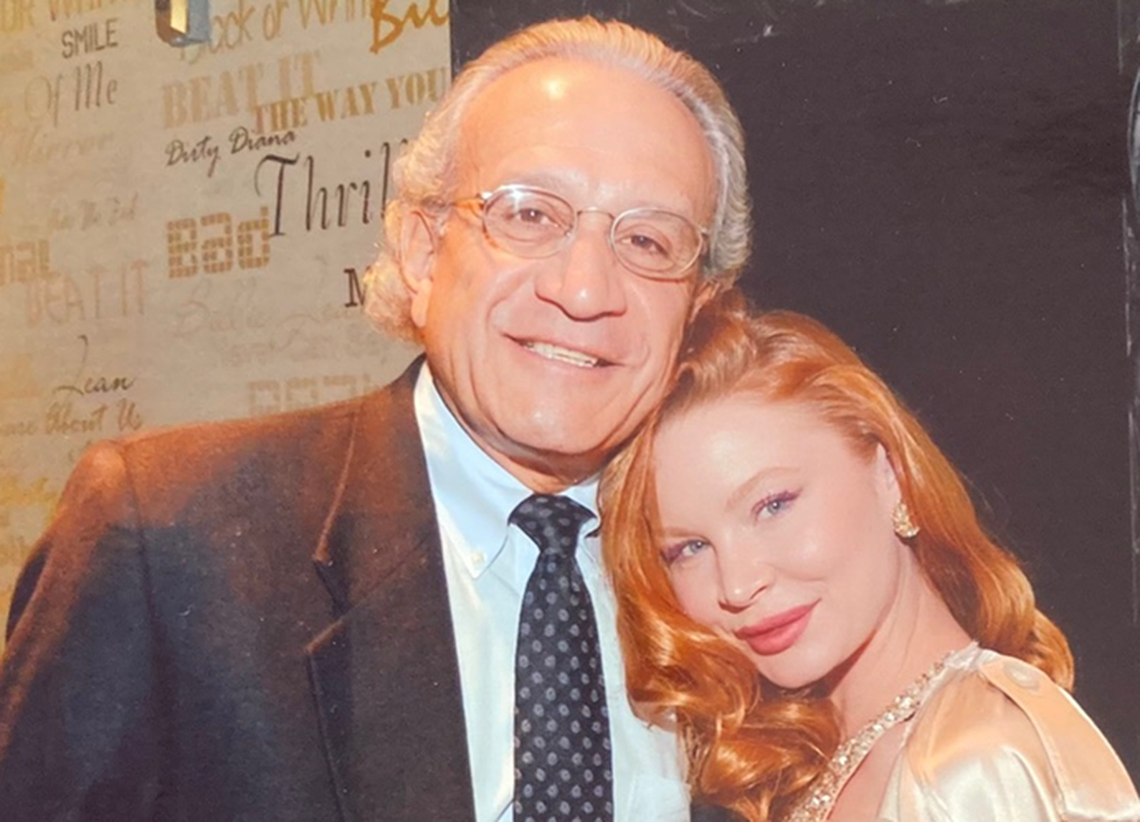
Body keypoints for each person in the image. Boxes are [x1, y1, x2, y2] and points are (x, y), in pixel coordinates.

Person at [0, 18, 752, 822]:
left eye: (647, 239)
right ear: (424, 251)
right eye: (530, 215)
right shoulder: (169, 533)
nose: (584, 288)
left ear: (697, 305)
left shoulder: (737, 575)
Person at [601, 295, 1140, 822]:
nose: (738, 585)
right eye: (689, 548)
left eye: (773, 505)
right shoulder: (851, 754)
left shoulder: (976, 762)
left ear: (891, 476)